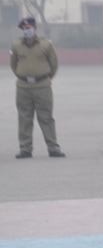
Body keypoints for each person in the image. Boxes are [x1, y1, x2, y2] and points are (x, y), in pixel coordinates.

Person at [11, 17, 64, 158]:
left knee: (46, 117)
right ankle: (25, 148)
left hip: (42, 86)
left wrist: (45, 78)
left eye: (29, 28)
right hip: (23, 87)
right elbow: (13, 65)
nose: (26, 30)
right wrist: (23, 76)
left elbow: (54, 64)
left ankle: (53, 147)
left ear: (35, 28)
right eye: (24, 28)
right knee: (24, 118)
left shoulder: (46, 45)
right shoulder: (16, 45)